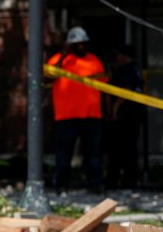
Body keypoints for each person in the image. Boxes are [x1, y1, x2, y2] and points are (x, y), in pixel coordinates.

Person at [47, 26, 107, 193]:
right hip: (66, 116)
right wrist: (64, 56)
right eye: (78, 44)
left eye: (84, 43)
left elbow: (105, 87)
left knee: (93, 154)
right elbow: (48, 78)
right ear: (71, 45)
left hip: (92, 116)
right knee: (64, 154)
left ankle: (95, 185)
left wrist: (107, 112)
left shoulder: (94, 61)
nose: (82, 47)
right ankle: (60, 185)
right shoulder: (57, 61)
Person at [104, 44, 145, 189]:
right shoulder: (136, 69)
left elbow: (126, 91)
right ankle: (128, 180)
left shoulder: (127, 69)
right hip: (133, 115)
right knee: (128, 149)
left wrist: (114, 109)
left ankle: (116, 181)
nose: (117, 58)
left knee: (119, 150)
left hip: (125, 116)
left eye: (119, 55)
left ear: (124, 56)